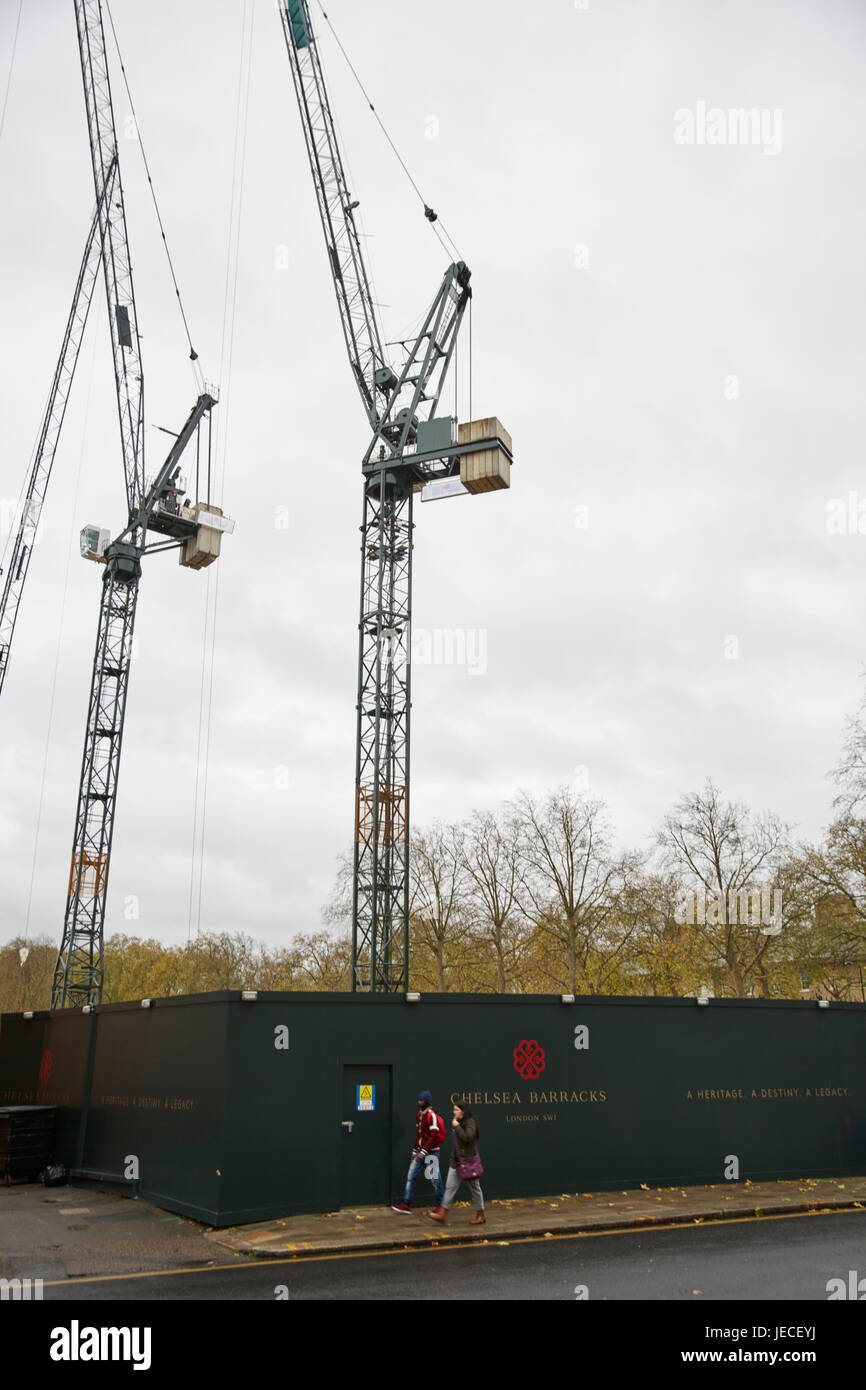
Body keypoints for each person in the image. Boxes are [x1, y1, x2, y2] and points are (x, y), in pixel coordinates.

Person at [430, 1101, 484, 1224]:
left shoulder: (470, 1122)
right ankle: (443, 1213)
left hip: (468, 1162)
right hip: (457, 1162)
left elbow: (468, 1137)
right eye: (454, 1110)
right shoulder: (459, 1122)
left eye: (456, 1110)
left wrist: (457, 1127)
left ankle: (481, 1214)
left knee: (475, 1189)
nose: (454, 1112)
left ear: (463, 1111)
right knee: (449, 1187)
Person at [391, 1090, 446, 1213]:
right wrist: (414, 1151)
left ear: (426, 1102)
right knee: (411, 1176)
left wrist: (423, 1152)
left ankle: (440, 1206)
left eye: (421, 1100)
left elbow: (433, 1136)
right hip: (420, 1152)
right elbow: (419, 1134)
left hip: (431, 1152)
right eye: (419, 1100)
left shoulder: (431, 1116)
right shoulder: (419, 1115)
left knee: (435, 1179)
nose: (418, 1102)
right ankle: (406, 1204)